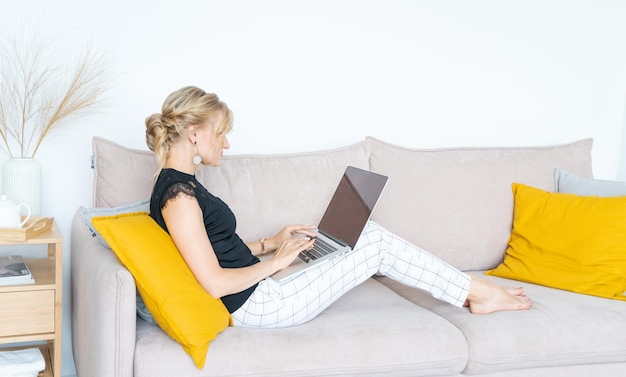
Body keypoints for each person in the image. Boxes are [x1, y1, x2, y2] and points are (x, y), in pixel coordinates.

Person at [145, 86, 531, 328]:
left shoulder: (181, 188)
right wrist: (278, 263)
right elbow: (213, 282)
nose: (226, 145)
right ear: (195, 133)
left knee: (360, 236)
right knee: (375, 243)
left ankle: (473, 290)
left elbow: (215, 250)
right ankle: (477, 293)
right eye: (221, 133)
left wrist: (270, 243)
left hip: (261, 289)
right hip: (259, 307)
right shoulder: (178, 196)